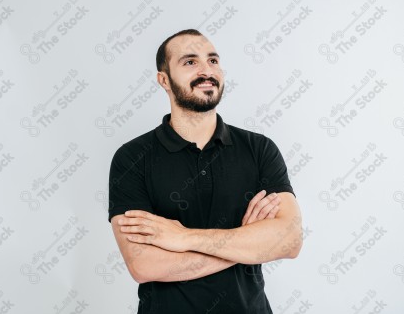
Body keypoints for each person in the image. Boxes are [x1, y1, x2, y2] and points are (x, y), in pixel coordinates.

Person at [108, 29, 303, 314]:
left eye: (213, 61)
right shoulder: (132, 158)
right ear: (164, 80)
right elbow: (143, 265)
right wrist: (246, 241)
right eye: (190, 62)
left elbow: (290, 240)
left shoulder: (259, 149)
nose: (206, 70)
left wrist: (183, 238)